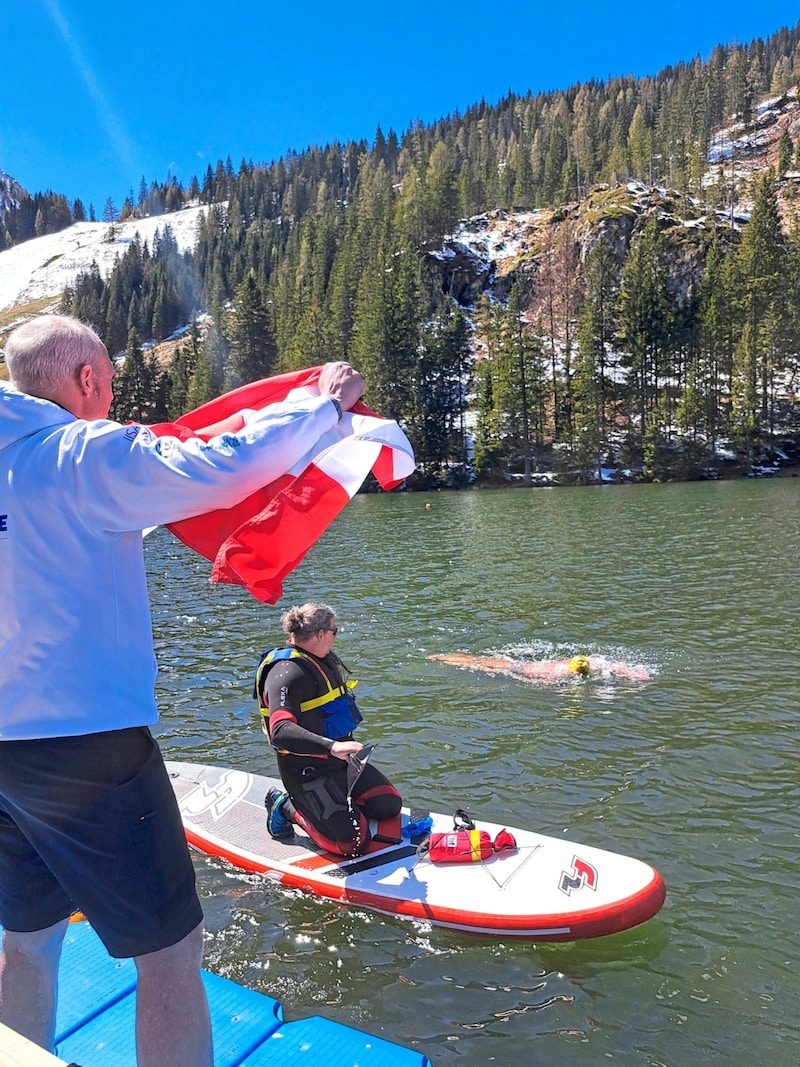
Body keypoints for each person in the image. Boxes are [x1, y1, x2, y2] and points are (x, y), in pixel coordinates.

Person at [0, 314, 365, 1065]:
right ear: (89, 381)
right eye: (108, 385)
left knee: (25, 939)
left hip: (5, 758)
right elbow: (220, 462)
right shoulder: (80, 451)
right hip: (89, 750)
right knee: (169, 952)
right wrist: (322, 407)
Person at [256, 603, 401, 858]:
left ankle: (334, 809)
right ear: (320, 634)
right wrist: (332, 747)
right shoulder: (285, 673)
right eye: (334, 631)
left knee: (389, 804)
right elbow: (279, 730)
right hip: (306, 769)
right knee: (353, 843)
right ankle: (286, 806)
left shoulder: (321, 659)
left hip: (342, 763)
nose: (335, 636)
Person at [428, 652, 651, 683]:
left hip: (523, 665)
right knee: (477, 665)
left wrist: (633, 674)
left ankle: (442, 657)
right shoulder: (562, 673)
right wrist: (634, 674)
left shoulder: (579, 664)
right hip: (519, 669)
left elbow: (616, 667)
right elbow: (616, 667)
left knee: (478, 661)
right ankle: (442, 657)